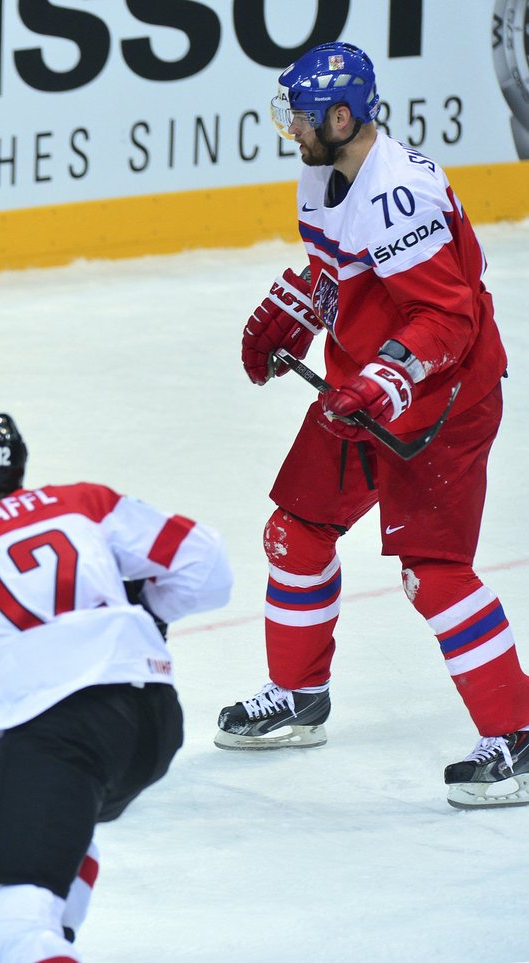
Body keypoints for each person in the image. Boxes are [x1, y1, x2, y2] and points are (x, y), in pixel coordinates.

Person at [220, 40, 529, 808]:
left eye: (300, 115)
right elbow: (338, 267)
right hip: (364, 389)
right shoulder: (325, 171)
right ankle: (297, 695)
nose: (290, 128)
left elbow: (448, 318)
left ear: (342, 114)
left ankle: (519, 732)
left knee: (434, 572)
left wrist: (386, 376)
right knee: (296, 527)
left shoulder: (399, 193)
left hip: (443, 402)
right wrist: (298, 307)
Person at [0, 413, 232, 962]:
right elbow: (207, 566)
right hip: (155, 718)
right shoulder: (83, 502)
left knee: (17, 920)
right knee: (66, 838)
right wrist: (148, 609)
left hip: (58, 733)